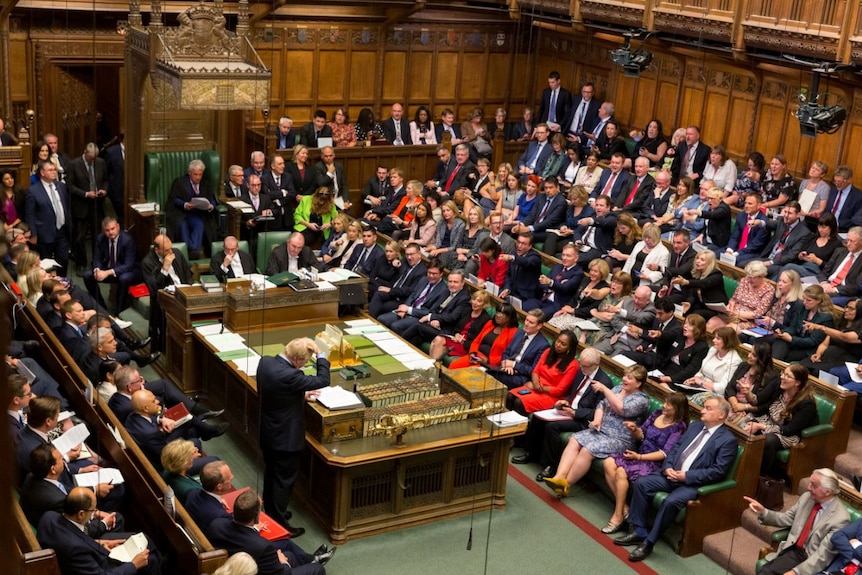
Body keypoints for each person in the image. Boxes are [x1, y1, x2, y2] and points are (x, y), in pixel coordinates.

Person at [615, 396, 738, 562]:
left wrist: (686, 476)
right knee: (642, 483)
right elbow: (675, 449)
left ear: (721, 415)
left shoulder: (727, 440)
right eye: (704, 407)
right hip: (671, 474)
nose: (702, 410)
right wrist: (668, 467)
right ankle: (638, 530)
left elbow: (718, 471)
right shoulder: (695, 426)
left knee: (670, 502)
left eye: (708, 408)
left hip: (692, 484)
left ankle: (649, 543)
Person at [257, 338, 330, 537]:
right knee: (282, 482)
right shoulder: (291, 375)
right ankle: (280, 525)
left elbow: (275, 390)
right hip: (285, 439)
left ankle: (272, 513)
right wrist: (321, 355)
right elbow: (324, 379)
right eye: (306, 362)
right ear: (298, 361)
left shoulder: (266, 362)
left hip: (269, 431)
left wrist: (299, 395)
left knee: (271, 475)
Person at [542, 365, 651, 497]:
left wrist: (605, 389)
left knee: (588, 450)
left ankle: (566, 484)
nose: (624, 379)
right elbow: (601, 405)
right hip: (602, 431)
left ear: (638, 383)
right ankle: (559, 477)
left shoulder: (642, 400)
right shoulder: (617, 389)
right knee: (575, 439)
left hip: (620, 439)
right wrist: (597, 420)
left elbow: (622, 409)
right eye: (624, 375)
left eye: (629, 378)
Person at [600, 393, 688, 534]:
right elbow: (642, 434)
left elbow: (664, 453)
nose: (664, 405)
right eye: (665, 401)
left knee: (621, 471)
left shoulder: (679, 427)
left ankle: (617, 517)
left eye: (669, 404)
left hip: (653, 462)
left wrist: (640, 457)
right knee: (608, 463)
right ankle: (625, 509)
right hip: (639, 453)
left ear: (678, 409)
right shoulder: (657, 413)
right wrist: (634, 429)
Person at [746, 468, 849, 575]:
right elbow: (786, 518)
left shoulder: (840, 519)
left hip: (809, 559)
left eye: (814, 485)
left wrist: (796, 572)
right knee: (766, 571)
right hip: (792, 549)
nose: (808, 488)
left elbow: (822, 557)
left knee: (767, 572)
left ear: (827, 491)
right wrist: (763, 512)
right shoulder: (807, 498)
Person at [37, 488, 162, 575]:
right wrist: (134, 565)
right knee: (151, 560)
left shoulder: (48, 517)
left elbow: (71, 537)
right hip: (102, 567)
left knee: (142, 541)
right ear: (81, 514)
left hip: (84, 558)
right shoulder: (76, 549)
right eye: (93, 510)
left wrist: (97, 543)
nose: (95, 513)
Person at [207, 490, 330, 575]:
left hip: (233, 567)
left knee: (290, 554)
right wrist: (284, 563)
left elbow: (240, 538)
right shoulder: (264, 547)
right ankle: (314, 563)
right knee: (317, 569)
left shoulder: (216, 524)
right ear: (256, 517)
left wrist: (254, 529)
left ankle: (310, 559)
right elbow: (282, 573)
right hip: (253, 570)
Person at [125, 389, 224, 474]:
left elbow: (150, 418)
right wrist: (189, 453)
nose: (157, 402)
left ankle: (205, 431)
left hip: (156, 450)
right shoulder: (151, 434)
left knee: (192, 431)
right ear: (146, 408)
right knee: (215, 460)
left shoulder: (131, 417)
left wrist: (160, 419)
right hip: (165, 467)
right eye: (153, 401)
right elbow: (168, 458)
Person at [505, 330, 579, 415]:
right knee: (510, 396)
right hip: (536, 387)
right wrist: (536, 384)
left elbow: (559, 390)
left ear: (569, 348)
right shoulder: (548, 351)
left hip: (551, 396)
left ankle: (519, 427)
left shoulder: (573, 365)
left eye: (563, 344)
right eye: (558, 341)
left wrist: (538, 387)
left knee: (519, 402)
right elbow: (535, 371)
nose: (558, 345)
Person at [141, 234, 193, 351]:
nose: (170, 252)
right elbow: (154, 289)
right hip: (165, 299)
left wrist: (190, 286)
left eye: (171, 248)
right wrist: (164, 269)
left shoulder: (177, 253)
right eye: (166, 250)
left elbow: (188, 274)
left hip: (184, 292)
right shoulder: (147, 263)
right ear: (157, 250)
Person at [83, 217, 140, 314]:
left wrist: (107, 272)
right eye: (107, 230)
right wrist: (97, 270)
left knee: (124, 278)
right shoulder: (101, 239)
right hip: (108, 269)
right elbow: (97, 258)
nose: (110, 232)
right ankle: (101, 307)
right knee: (87, 275)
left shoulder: (127, 240)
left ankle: (119, 311)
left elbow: (128, 265)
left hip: (127, 271)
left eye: (112, 229)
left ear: (118, 227)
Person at [66, 142, 108, 269]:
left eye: (94, 159)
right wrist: (85, 194)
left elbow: (106, 180)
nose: (92, 161)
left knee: (98, 237)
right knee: (80, 238)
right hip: (81, 206)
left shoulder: (101, 162)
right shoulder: (73, 164)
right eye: (90, 159)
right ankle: (80, 263)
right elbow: (70, 186)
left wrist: (104, 190)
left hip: (97, 205)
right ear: (85, 153)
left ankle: (97, 263)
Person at [485, 309, 550, 389]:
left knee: (490, 376)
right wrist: (506, 364)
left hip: (521, 376)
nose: (526, 324)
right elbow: (506, 352)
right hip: (506, 369)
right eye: (526, 320)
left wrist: (513, 365)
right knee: (485, 370)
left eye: (531, 322)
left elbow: (533, 371)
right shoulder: (519, 332)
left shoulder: (543, 345)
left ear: (539, 326)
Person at [442, 300, 518, 368]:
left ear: (510, 318)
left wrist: (487, 361)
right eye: (498, 312)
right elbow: (476, 341)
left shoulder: (513, 332)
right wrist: (472, 353)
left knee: (468, 372)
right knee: (453, 366)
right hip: (476, 355)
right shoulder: (490, 323)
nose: (498, 315)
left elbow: (506, 355)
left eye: (503, 314)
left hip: (490, 363)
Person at [25, 160, 70, 275]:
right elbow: (30, 214)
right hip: (44, 233)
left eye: (54, 169)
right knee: (46, 263)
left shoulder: (61, 187)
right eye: (50, 170)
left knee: (64, 260)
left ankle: (61, 282)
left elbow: (66, 206)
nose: (54, 172)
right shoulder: (33, 191)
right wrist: (33, 234)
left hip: (62, 231)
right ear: (42, 173)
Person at [166, 159, 217, 260]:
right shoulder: (180, 182)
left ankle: (193, 251)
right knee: (183, 226)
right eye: (195, 174)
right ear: (189, 172)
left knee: (199, 224)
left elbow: (212, 200)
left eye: (200, 174)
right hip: (181, 213)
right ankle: (186, 253)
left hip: (198, 214)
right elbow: (174, 199)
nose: (198, 177)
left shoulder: (206, 184)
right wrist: (184, 204)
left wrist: (211, 206)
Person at [773, 284, 838, 362]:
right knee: (779, 342)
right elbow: (793, 327)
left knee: (781, 353)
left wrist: (791, 339)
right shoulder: (802, 307)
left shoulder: (826, 317)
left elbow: (813, 341)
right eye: (804, 299)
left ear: (818, 300)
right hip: (796, 342)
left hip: (808, 349)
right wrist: (782, 332)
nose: (804, 302)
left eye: (809, 300)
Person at [706, 260, 774, 333]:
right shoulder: (744, 281)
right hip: (731, 314)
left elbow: (757, 314)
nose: (749, 279)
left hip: (748, 320)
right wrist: (730, 307)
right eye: (748, 276)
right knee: (710, 324)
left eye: (753, 277)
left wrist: (736, 313)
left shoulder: (768, 290)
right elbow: (733, 299)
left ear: (761, 276)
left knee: (727, 331)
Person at [425, 289, 492, 361]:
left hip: (466, 345)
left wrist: (462, 341)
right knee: (437, 340)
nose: (475, 303)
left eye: (479, 301)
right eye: (474, 299)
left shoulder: (486, 319)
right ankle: (433, 366)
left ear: (484, 304)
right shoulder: (467, 310)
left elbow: (478, 340)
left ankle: (432, 367)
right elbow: (457, 327)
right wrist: (457, 334)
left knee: (437, 345)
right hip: (455, 338)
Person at [724, 340, 780, 423]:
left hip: (750, 412)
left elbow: (763, 405)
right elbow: (730, 388)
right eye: (750, 352)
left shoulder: (772, 378)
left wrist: (745, 406)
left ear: (762, 358)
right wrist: (735, 404)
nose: (749, 356)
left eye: (754, 355)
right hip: (732, 403)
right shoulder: (743, 366)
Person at [676, 326, 743, 395]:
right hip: (699, 387)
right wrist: (694, 379)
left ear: (728, 341)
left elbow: (722, 388)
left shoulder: (735, 361)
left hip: (714, 394)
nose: (713, 340)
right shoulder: (713, 350)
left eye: (718, 338)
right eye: (714, 337)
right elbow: (701, 371)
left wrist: (701, 382)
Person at [367, 242, 426, 317]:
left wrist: (390, 290)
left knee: (382, 306)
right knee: (378, 293)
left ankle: (372, 320)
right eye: (407, 254)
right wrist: (395, 264)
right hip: (392, 292)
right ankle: (370, 318)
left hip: (401, 299)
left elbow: (409, 291)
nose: (409, 257)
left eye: (412, 254)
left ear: (419, 254)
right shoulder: (405, 261)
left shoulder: (422, 271)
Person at [781, 212, 841, 280]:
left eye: (824, 227)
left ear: (831, 228)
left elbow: (832, 267)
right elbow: (799, 255)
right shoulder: (812, 237)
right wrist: (800, 256)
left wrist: (817, 261)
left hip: (817, 271)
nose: (820, 230)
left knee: (789, 268)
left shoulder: (836, 244)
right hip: (803, 266)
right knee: (785, 269)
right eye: (819, 226)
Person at [160, 438, 203, 504]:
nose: (196, 450)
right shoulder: (192, 491)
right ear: (185, 462)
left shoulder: (167, 471)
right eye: (191, 454)